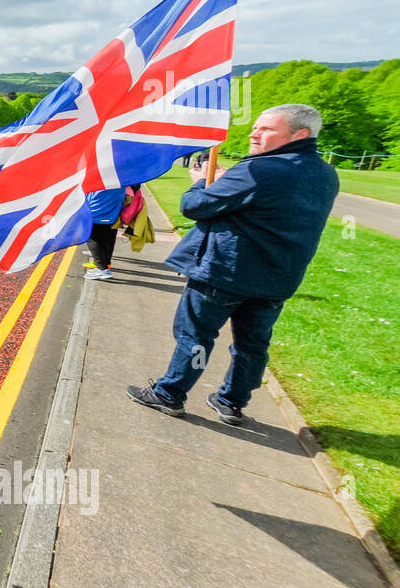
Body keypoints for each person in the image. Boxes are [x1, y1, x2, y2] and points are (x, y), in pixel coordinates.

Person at [127, 104, 339, 425]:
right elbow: (265, 206)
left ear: (300, 134)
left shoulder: (259, 170)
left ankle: (170, 393)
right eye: (256, 126)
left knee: (196, 336)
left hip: (226, 272)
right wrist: (230, 186)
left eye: (266, 129)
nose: (255, 133)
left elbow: (194, 206)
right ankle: (232, 402)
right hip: (278, 278)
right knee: (252, 346)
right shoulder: (325, 173)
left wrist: (201, 181)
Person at [83, 188, 123, 280]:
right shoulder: (121, 174)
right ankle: (106, 263)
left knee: (93, 238)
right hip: (114, 206)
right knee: (107, 237)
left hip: (98, 207)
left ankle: (102, 269)